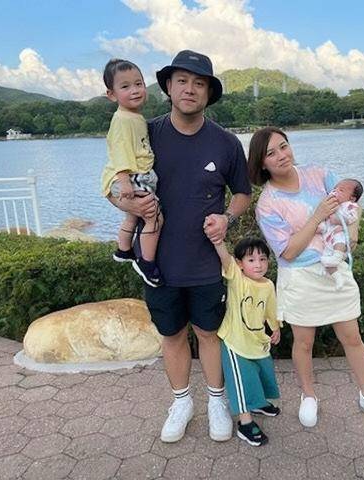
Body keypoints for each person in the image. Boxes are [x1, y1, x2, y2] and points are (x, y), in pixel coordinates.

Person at [110, 50, 252, 443]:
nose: (190, 89)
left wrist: (227, 217)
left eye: (199, 83)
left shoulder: (225, 143)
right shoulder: (146, 134)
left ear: (209, 93)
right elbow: (113, 181)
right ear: (169, 87)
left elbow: (242, 193)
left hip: (207, 263)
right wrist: (126, 203)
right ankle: (181, 402)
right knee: (172, 336)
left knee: (209, 333)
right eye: (182, 81)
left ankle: (217, 401)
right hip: (159, 264)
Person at [248, 127, 364, 428]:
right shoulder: (267, 204)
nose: (281, 155)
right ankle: (309, 395)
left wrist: (352, 234)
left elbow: (351, 206)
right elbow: (288, 251)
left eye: (284, 146)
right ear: (262, 163)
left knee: (352, 337)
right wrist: (316, 216)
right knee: (304, 343)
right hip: (301, 277)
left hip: (334, 271)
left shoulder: (320, 174)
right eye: (271, 153)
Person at [210, 236, 281, 447]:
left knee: (261, 373)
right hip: (235, 342)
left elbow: (271, 309)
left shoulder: (268, 285)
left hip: (257, 341)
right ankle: (245, 423)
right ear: (240, 264)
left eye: (263, 259)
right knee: (242, 381)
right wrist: (218, 241)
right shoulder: (237, 279)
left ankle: (257, 403)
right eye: (251, 260)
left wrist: (275, 327)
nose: (258, 264)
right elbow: (225, 258)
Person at [101, 58, 162, 287]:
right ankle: (147, 263)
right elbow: (120, 151)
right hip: (130, 176)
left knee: (132, 215)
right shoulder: (123, 120)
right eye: (125, 86)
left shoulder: (133, 117)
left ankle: (123, 249)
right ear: (112, 94)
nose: (135, 90)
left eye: (138, 84)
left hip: (134, 176)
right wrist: (124, 181)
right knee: (155, 217)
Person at [318, 178, 363, 290]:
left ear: (352, 198)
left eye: (341, 190)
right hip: (328, 237)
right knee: (328, 262)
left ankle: (338, 255)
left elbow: (352, 218)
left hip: (339, 234)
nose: (335, 191)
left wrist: (339, 220)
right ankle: (338, 278)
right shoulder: (333, 203)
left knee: (339, 238)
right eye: (335, 189)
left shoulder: (349, 205)